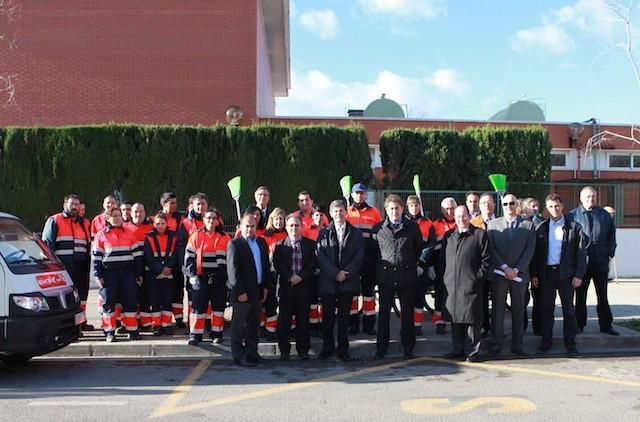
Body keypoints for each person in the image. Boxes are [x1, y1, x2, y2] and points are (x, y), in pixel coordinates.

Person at [532, 194, 586, 355]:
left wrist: (579, 275)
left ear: (562, 206)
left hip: (567, 275)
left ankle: (570, 344)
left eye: (556, 206)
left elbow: (581, 253)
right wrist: (534, 275)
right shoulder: (541, 228)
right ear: (546, 208)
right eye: (550, 206)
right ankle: (546, 342)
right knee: (546, 310)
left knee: (568, 310)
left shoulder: (574, 227)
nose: (554, 209)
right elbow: (535, 254)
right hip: (547, 274)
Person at [373, 194, 423, 360]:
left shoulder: (413, 228)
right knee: (384, 315)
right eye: (391, 209)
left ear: (402, 209)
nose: (394, 211)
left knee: (407, 314)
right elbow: (374, 252)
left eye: (397, 208)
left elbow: (418, 249)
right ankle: (381, 348)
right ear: (386, 210)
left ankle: (408, 349)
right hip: (385, 277)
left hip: (406, 277)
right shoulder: (378, 229)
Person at [486, 193, 536, 356]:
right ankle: (496, 343)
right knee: (498, 310)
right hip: (499, 273)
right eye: (506, 204)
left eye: (512, 203)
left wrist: (516, 269)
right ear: (502, 206)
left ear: (517, 205)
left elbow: (530, 250)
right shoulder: (492, 225)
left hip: (519, 275)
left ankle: (517, 345)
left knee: (519, 310)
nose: (509, 206)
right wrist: (505, 267)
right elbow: (491, 249)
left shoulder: (528, 225)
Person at [316, 200, 364, 361]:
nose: (338, 214)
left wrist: (346, 273)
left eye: (341, 211)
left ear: (346, 212)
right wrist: (335, 273)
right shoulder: (323, 233)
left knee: (344, 319)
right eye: (335, 211)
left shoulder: (356, 233)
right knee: (328, 318)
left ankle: (343, 349)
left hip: (347, 281)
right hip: (329, 281)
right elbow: (320, 256)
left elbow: (359, 256)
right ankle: (327, 348)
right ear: (330, 214)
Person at [441, 205, 489, 362]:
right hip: (452, 285)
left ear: (469, 216)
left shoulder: (479, 235)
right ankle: (457, 350)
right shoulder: (449, 236)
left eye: (464, 216)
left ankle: (472, 352)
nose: (461, 219)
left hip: (471, 284)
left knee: (471, 319)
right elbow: (442, 260)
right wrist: (445, 278)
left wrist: (476, 279)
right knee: (455, 319)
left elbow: (486, 260)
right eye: (458, 216)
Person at [570, 186, 618, 335]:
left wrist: (609, 254)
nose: (590, 199)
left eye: (593, 196)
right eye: (587, 196)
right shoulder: (573, 215)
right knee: (580, 296)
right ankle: (579, 324)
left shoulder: (604, 215)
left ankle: (606, 325)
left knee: (602, 295)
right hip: (581, 264)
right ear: (581, 198)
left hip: (600, 262)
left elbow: (611, 236)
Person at [92, 207, 143, 342]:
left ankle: (132, 330)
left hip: (128, 273)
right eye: (114, 216)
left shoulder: (129, 233)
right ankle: (110, 332)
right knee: (109, 303)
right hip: (109, 274)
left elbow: (137, 255)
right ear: (107, 218)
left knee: (130, 301)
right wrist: (98, 276)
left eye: (119, 215)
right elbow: (96, 258)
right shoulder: (101, 235)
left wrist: (139, 273)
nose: (117, 218)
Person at [227, 213, 271, 367]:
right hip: (243, 292)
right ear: (240, 226)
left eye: (252, 226)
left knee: (254, 325)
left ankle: (252, 353)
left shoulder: (261, 242)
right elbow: (233, 270)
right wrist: (240, 292)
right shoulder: (234, 244)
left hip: (258, 290)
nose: (250, 229)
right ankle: (238, 355)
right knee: (238, 326)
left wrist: (266, 287)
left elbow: (265, 266)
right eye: (247, 226)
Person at [42, 194, 93, 330]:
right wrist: (51, 266)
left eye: (77, 204)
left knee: (82, 296)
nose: (75, 207)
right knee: (67, 297)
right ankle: (68, 326)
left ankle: (80, 323)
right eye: (72, 204)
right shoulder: (55, 220)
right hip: (64, 267)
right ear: (65, 205)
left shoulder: (85, 223)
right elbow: (47, 246)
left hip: (82, 266)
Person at [273, 214, 317, 360]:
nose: (294, 228)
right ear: (286, 227)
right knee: (284, 322)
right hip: (286, 288)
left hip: (304, 288)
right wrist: (290, 277)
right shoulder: (280, 245)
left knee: (303, 321)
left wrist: (301, 276)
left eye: (296, 225)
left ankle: (303, 350)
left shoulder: (310, 245)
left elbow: (313, 263)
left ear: (302, 227)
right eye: (291, 225)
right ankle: (284, 351)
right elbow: (278, 264)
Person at [184, 209, 231, 345]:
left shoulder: (225, 237)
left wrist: (229, 278)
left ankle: (216, 334)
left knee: (218, 308)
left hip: (219, 278)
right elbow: (188, 258)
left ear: (218, 221)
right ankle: (195, 335)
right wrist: (192, 275)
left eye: (214, 218)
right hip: (201, 278)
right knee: (198, 307)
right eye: (208, 218)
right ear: (204, 220)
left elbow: (231, 259)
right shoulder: (196, 236)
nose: (211, 220)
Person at [346, 182, 382, 336]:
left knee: (368, 294)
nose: (359, 195)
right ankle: (353, 324)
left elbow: (380, 234)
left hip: (369, 258)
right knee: (352, 293)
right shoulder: (347, 212)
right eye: (357, 193)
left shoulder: (374, 212)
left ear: (366, 195)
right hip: (351, 260)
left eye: (362, 193)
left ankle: (369, 324)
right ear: (352, 195)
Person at [177, 192, 209, 330]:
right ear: (193, 206)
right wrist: (186, 267)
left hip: (210, 266)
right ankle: (192, 324)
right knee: (192, 297)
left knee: (209, 296)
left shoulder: (214, 220)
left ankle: (208, 322)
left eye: (203, 204)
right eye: (198, 204)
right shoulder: (186, 224)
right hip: (193, 267)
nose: (200, 207)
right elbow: (181, 247)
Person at [404, 195, 435, 336]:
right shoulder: (403, 222)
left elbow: (430, 244)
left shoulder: (428, 223)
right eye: (411, 205)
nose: (414, 208)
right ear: (407, 207)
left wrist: (421, 263)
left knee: (419, 296)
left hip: (422, 266)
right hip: (406, 266)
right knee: (406, 298)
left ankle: (417, 326)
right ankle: (407, 326)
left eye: (416, 205)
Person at [143, 212, 178, 336]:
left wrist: (169, 267)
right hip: (154, 274)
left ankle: (166, 325)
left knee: (168, 299)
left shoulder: (174, 237)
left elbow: (176, 255)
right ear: (154, 224)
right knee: (155, 300)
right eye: (158, 223)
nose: (160, 226)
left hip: (169, 273)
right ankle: (156, 325)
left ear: (167, 224)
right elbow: (148, 257)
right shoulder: (148, 237)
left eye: (163, 223)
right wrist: (160, 269)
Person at [470, 193, 496, 336]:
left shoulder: (500, 222)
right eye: (484, 203)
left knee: (498, 300)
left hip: (498, 267)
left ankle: (497, 328)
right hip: (482, 267)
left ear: (494, 205)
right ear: (479, 206)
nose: (487, 205)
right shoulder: (473, 223)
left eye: (490, 202)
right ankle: (484, 326)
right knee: (482, 299)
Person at [260, 207, 288, 340]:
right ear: (272, 220)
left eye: (281, 219)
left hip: (285, 274)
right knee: (270, 303)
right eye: (276, 219)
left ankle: (284, 330)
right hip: (271, 274)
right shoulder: (265, 237)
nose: (279, 222)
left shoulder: (288, 234)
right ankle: (269, 331)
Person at [126, 203, 154, 330]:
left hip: (147, 267)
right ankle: (130, 323)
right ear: (131, 213)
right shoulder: (125, 228)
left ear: (145, 213)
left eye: (141, 211)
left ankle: (146, 323)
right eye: (136, 212)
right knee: (130, 296)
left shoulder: (151, 228)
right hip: (130, 267)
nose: (138, 214)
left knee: (145, 296)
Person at [432, 197, 457, 334]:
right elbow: (431, 247)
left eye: (452, 208)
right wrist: (430, 266)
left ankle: (456, 322)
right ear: (442, 210)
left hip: (457, 264)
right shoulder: (435, 225)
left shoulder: (461, 222)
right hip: (440, 265)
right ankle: (439, 322)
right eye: (446, 209)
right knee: (440, 293)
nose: (449, 211)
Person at [160, 192, 185, 327]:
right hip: (161, 261)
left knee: (178, 291)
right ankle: (164, 321)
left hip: (176, 259)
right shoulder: (157, 219)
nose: (175, 206)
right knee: (163, 293)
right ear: (164, 204)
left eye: (175, 203)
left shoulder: (180, 219)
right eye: (172, 203)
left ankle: (179, 318)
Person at [303, 204, 327, 336]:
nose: (319, 217)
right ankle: (313, 325)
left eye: (321, 215)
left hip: (325, 269)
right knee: (312, 298)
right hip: (311, 268)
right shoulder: (306, 230)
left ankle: (323, 324)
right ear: (312, 216)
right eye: (316, 215)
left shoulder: (328, 230)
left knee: (324, 298)